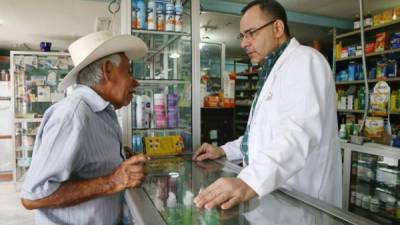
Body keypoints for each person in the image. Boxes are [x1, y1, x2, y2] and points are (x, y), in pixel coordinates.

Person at [193, 0, 342, 210]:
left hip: (304, 201)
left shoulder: (306, 61)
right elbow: (259, 135)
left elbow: (298, 133)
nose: (244, 43)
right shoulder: (271, 70)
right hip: (274, 197)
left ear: (278, 28)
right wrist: (224, 151)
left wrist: (249, 181)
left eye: (251, 33)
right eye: (242, 35)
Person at [20, 31, 149, 225]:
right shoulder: (73, 115)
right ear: (107, 71)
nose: (135, 81)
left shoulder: (104, 112)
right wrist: (114, 181)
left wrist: (119, 157)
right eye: (128, 72)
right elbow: (33, 196)